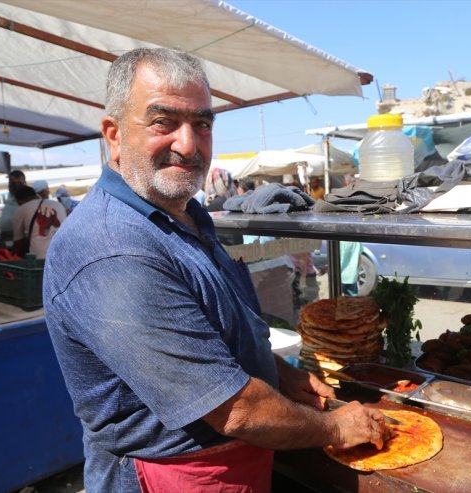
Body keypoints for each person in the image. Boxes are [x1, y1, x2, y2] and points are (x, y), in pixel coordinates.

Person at [43, 48, 389, 493]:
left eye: (202, 123)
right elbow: (236, 409)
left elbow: (215, 331)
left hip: (230, 465)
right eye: (163, 121)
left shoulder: (183, 215)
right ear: (113, 135)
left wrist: (278, 372)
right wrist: (338, 429)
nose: (189, 144)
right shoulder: (113, 249)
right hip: (167, 477)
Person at [11, 186, 66, 259]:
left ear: (20, 200)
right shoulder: (58, 205)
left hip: (38, 258)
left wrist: (12, 257)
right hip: (62, 255)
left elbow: (18, 242)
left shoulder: (22, 209)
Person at [0, 169, 27, 247]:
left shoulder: (30, 198)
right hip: (6, 238)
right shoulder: (10, 196)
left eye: (20, 184)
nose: (17, 186)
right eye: (13, 184)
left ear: (25, 183)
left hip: (23, 240)